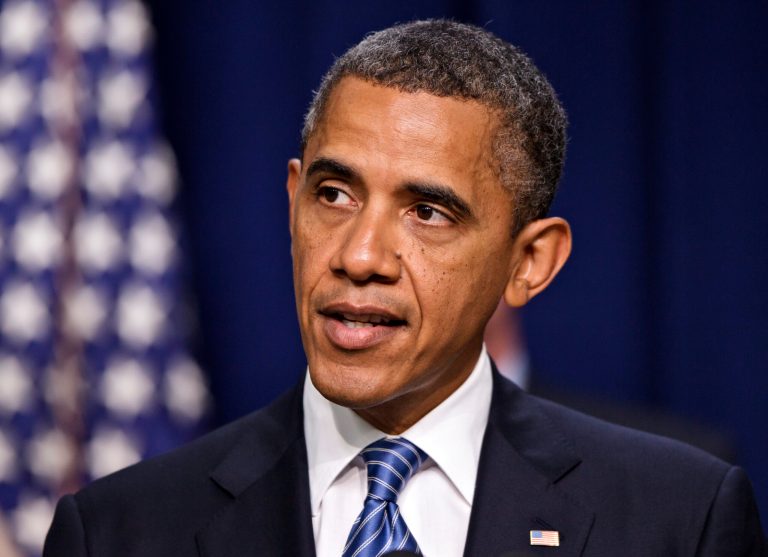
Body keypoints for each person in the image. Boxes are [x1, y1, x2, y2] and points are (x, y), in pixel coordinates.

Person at [44, 19, 765, 557]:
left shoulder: (677, 519)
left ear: (530, 262)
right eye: (333, 194)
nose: (360, 255)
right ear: (292, 202)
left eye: (428, 212)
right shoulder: (118, 531)